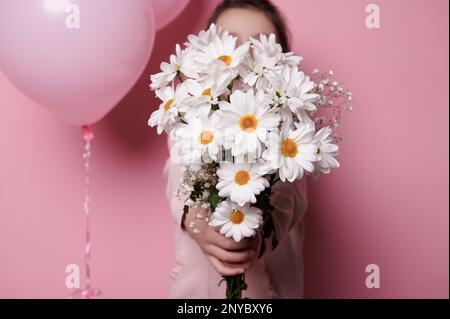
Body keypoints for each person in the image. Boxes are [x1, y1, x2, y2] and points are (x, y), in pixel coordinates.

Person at [164, 0, 308, 298]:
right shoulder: (191, 121)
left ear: (282, 66)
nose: (241, 56)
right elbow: (178, 173)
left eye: (258, 47)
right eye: (229, 43)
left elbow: (291, 194)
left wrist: (262, 231)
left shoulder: (291, 131)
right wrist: (195, 219)